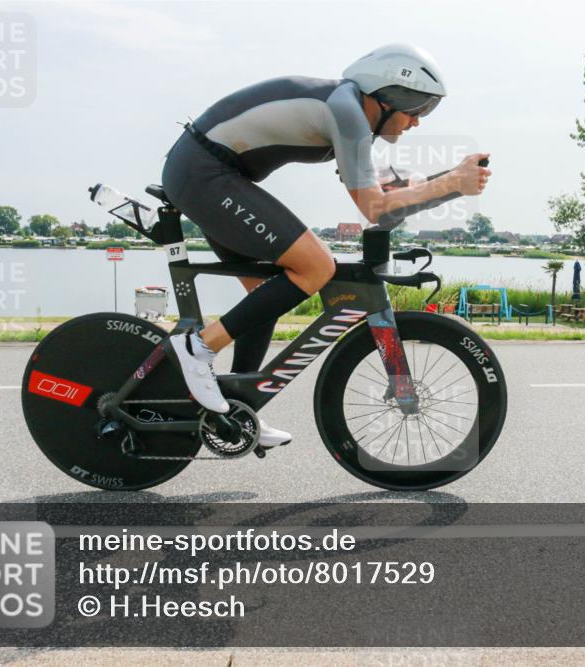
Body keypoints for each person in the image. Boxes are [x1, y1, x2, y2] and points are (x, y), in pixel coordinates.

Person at [161, 43, 490, 447]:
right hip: (203, 172)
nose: (417, 123)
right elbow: (375, 208)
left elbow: (391, 198)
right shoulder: (347, 112)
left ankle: (235, 407)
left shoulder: (354, 116)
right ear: (388, 97)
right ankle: (196, 348)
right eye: (416, 110)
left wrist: (453, 183)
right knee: (317, 266)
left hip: (209, 173)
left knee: (264, 298)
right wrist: (451, 184)